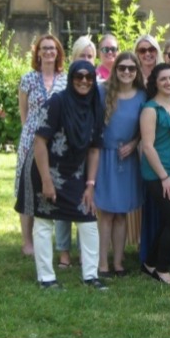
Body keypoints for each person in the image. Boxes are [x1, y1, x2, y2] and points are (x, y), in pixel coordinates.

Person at [15, 60, 107, 290]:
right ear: (71, 78)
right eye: (79, 76)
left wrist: (90, 184)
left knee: (88, 220)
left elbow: (95, 148)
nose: (84, 81)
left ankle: (90, 276)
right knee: (45, 222)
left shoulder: (96, 105)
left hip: (76, 173)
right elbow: (39, 142)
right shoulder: (57, 102)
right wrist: (46, 181)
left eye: (89, 77)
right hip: (47, 169)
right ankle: (46, 278)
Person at [14, 34, 67, 256]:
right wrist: (30, 134)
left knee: (54, 185)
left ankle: (57, 241)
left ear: (58, 53)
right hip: (31, 140)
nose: (48, 52)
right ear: (37, 52)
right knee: (27, 188)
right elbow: (23, 112)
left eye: (52, 48)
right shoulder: (28, 79)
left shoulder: (65, 79)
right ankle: (28, 242)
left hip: (57, 142)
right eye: (44, 48)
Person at [95, 52, 146, 278]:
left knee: (122, 214)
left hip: (128, 160)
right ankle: (102, 263)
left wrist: (135, 143)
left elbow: (145, 129)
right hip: (105, 157)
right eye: (122, 68)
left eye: (131, 68)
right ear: (115, 69)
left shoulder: (143, 97)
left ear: (137, 71)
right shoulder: (102, 91)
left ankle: (118, 262)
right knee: (106, 213)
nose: (126, 72)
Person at [139, 63, 170, 285]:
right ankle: (161, 268)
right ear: (155, 83)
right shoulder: (150, 109)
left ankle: (149, 263)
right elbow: (148, 146)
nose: (169, 82)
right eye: (163, 79)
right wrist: (164, 177)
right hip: (158, 173)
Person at [55, 35, 99, 268]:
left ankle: (85, 251)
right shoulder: (65, 85)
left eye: (90, 56)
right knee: (64, 204)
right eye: (82, 55)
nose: (86, 60)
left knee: (86, 200)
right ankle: (63, 252)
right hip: (65, 154)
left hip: (88, 152)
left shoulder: (97, 87)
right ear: (74, 58)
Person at [131, 34, 164, 248]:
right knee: (134, 191)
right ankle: (135, 239)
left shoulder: (163, 76)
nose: (147, 54)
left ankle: (152, 240)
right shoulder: (131, 77)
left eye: (151, 49)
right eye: (142, 50)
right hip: (132, 144)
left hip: (157, 143)